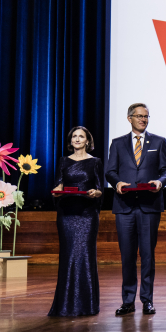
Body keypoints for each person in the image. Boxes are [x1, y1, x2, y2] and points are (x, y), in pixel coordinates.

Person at [105, 103, 166, 316]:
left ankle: (147, 300)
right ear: (129, 118)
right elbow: (110, 171)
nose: (143, 119)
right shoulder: (117, 144)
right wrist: (117, 183)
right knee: (127, 256)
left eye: (146, 116)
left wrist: (160, 182)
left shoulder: (159, 142)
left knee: (148, 256)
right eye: (139, 116)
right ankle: (127, 300)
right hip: (124, 206)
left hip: (149, 206)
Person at [48, 126, 103, 317]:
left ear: (88, 140)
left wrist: (96, 193)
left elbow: (99, 188)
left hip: (87, 214)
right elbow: (58, 183)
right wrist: (57, 190)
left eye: (81, 136)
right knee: (68, 255)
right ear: (71, 141)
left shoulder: (95, 162)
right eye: (74, 136)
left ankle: (87, 305)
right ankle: (64, 305)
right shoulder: (63, 161)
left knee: (85, 255)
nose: (77, 139)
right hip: (67, 213)